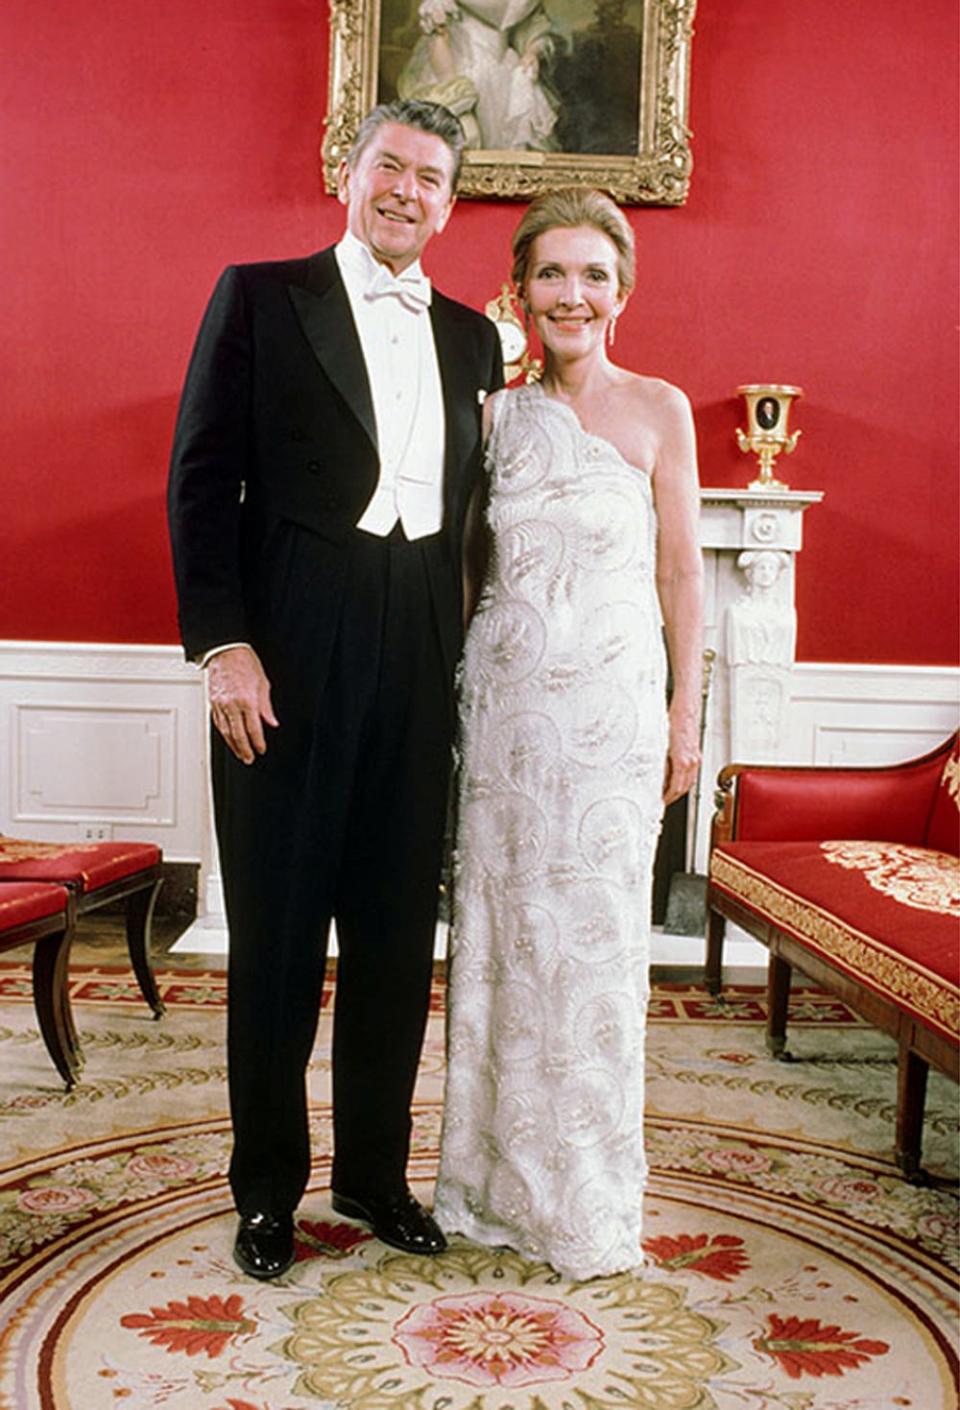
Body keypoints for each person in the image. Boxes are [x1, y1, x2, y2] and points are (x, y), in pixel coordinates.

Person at [167, 99, 503, 1280]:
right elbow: (201, 479)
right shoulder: (259, 296)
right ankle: (266, 1190)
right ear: (346, 175)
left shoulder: (474, 339)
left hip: (419, 644)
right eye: (391, 167)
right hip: (290, 643)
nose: (409, 191)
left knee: (396, 934)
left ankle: (373, 1173)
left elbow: (474, 523)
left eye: (432, 178)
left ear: (452, 203)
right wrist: (225, 644)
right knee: (275, 931)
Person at [434, 187, 703, 1280]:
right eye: (553, 274)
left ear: (622, 290)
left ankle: (585, 1203)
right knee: (501, 948)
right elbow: (462, 573)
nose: (573, 295)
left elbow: (683, 573)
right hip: (503, 725)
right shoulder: (493, 417)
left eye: (594, 274)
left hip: (611, 728)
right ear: (521, 288)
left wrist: (690, 714)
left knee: (592, 958)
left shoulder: (661, 410)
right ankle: (487, 1189)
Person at [397, 0, 558, 151]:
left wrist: (532, 51)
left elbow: (533, 26)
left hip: (507, 70)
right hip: (462, 65)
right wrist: (453, 87)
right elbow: (438, 34)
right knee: (464, 136)